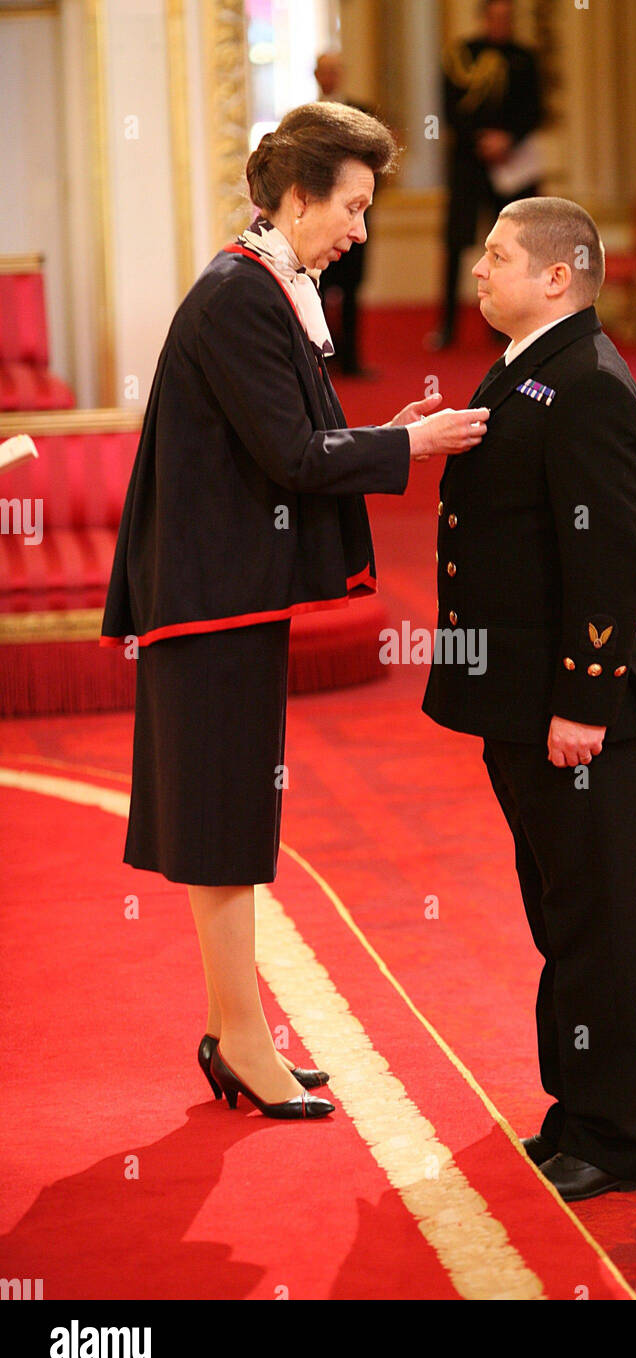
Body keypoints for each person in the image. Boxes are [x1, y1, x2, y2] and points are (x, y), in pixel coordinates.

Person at [99, 102, 489, 1123]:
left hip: (224, 591)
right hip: (210, 598)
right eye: (351, 207)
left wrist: (381, 433)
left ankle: (240, 1028)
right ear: (298, 195)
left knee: (232, 820)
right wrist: (414, 448)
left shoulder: (265, 285)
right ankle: (237, 1035)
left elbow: (287, 434)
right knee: (224, 827)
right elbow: (288, 457)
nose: (358, 230)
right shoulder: (240, 295)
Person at [422, 197, 636, 1201]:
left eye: (497, 255)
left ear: (557, 275)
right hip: (520, 700)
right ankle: (574, 1106)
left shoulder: (587, 385)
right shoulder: (530, 362)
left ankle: (613, 1139)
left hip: (572, 710)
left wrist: (582, 700)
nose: (477, 269)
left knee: (598, 922)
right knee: (558, 913)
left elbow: (608, 565)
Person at [428, 0, 542, 350]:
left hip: (513, 165)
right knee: (456, 241)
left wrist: (507, 138)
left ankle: (505, 324)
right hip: (467, 163)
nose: (500, 23)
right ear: (484, 18)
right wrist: (480, 141)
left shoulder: (526, 59)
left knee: (511, 247)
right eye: (495, 17)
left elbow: (535, 109)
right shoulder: (461, 54)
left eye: (506, 18)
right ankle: (447, 327)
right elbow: (448, 108)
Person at [314, 52, 376, 377]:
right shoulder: (306, 119)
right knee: (315, 288)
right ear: (316, 75)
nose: (330, 76)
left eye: (335, 70)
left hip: (354, 216)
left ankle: (351, 359)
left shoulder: (361, 114)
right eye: (325, 71)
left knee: (352, 289)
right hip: (320, 218)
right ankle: (318, 363)